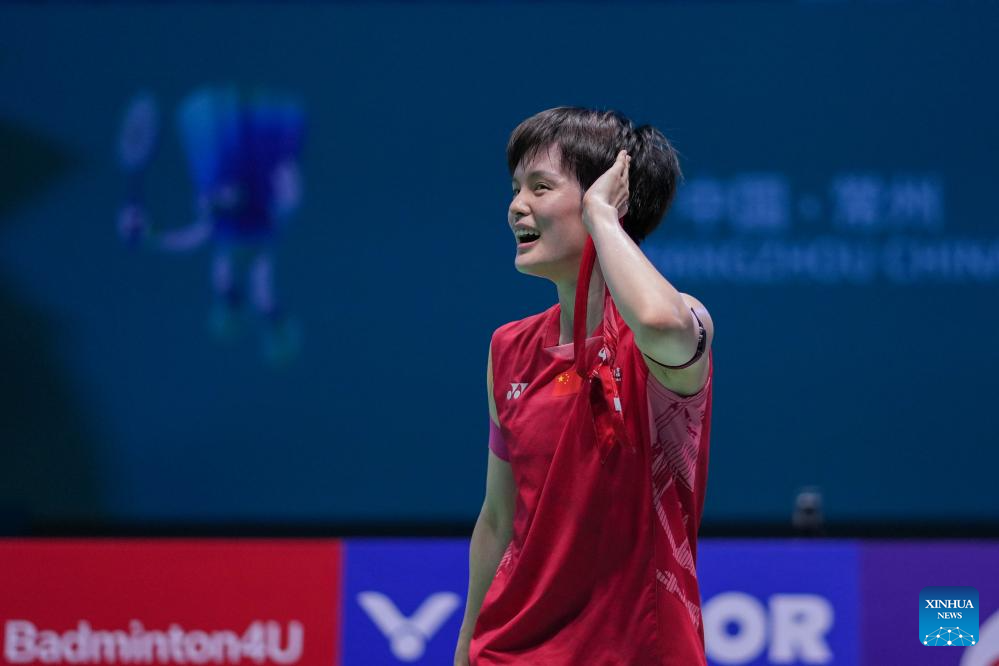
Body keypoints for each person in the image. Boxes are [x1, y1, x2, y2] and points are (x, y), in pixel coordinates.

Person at [454, 107, 715, 666]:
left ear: (608, 197)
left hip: (639, 652)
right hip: (510, 652)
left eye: (540, 187)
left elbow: (659, 323)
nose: (516, 206)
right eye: (516, 188)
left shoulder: (670, 331)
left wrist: (602, 217)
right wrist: (464, 647)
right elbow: (498, 518)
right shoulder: (508, 350)